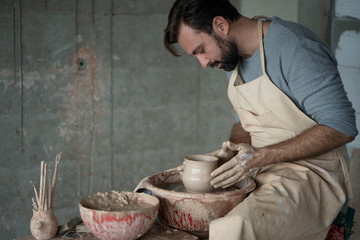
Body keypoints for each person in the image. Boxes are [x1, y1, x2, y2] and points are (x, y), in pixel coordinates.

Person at [163, 0, 358, 239]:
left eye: (201, 50)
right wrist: (233, 153)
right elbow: (245, 122)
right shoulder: (231, 58)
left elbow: (342, 127)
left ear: (221, 25)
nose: (203, 63)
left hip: (314, 174)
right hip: (261, 167)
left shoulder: (295, 47)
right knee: (186, 213)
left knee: (233, 228)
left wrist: (258, 157)